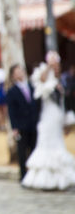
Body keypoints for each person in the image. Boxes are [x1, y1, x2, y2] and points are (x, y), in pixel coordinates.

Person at [21, 51, 75, 190]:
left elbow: (64, 103)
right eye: (54, 65)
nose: (56, 68)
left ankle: (60, 179)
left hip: (57, 118)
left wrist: (67, 122)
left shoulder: (62, 81)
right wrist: (49, 66)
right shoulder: (44, 79)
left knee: (58, 145)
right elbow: (41, 79)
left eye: (58, 66)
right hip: (47, 118)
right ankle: (43, 180)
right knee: (46, 145)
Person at [6, 64, 40, 181]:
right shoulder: (12, 91)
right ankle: (23, 175)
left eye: (21, 70)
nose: (20, 72)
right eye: (17, 71)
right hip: (21, 125)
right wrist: (14, 127)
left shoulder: (32, 86)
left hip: (33, 123)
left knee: (34, 148)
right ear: (13, 76)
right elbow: (11, 111)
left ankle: (34, 174)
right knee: (22, 151)